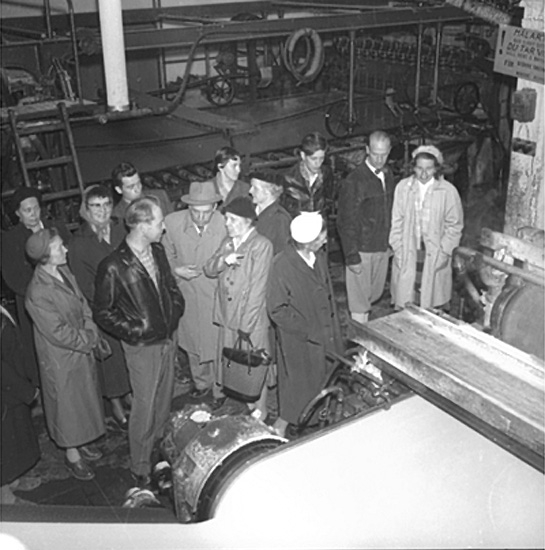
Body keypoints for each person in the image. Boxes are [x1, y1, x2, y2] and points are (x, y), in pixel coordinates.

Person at [93, 196, 185, 487]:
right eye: (159, 222)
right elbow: (102, 312)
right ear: (143, 226)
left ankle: (158, 450)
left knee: (164, 401)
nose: (163, 228)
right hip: (142, 347)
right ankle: (140, 465)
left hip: (166, 337)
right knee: (144, 408)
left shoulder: (157, 250)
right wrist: (136, 330)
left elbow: (170, 286)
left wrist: (174, 311)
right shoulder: (113, 266)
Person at [25, 228, 105, 481]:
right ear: (45, 256)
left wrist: (90, 327)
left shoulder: (64, 271)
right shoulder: (37, 292)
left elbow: (83, 304)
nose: (66, 249)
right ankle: (72, 456)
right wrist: (88, 339)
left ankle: (83, 441)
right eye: (59, 247)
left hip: (79, 348)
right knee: (67, 407)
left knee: (84, 400)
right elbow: (58, 333)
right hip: (61, 358)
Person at [267, 212, 342, 437]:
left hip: (325, 333)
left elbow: (328, 296)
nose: (325, 241)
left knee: (322, 380)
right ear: (308, 241)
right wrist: (307, 329)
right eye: (322, 237)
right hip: (299, 340)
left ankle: (318, 422)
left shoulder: (318, 257)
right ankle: (284, 429)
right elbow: (276, 309)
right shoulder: (282, 265)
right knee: (298, 388)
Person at [67, 185, 131, 432]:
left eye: (106, 205)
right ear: (86, 209)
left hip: (129, 302)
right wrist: (110, 304)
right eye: (96, 206)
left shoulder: (120, 229)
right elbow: (85, 285)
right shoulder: (78, 243)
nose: (102, 211)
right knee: (111, 359)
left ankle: (129, 395)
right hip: (102, 308)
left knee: (127, 354)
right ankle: (115, 406)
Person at [204, 196, 273, 418]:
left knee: (255, 366)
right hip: (227, 317)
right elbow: (208, 269)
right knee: (236, 365)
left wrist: (246, 326)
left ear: (247, 221)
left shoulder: (261, 245)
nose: (227, 224)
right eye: (227, 219)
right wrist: (224, 260)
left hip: (249, 320)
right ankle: (245, 408)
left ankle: (261, 412)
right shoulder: (228, 242)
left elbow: (257, 289)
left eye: (232, 220)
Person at [1, 187, 71, 387]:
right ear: (18, 213)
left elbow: (70, 260)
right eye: (27, 210)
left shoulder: (56, 228)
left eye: (36, 208)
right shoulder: (10, 239)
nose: (33, 214)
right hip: (32, 302)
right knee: (41, 350)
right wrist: (40, 294)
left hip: (64, 295)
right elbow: (12, 277)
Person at [162, 180, 226, 400]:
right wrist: (175, 270)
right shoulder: (171, 223)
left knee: (216, 345)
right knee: (192, 343)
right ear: (188, 207)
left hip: (214, 294)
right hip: (186, 293)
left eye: (206, 212)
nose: (200, 217)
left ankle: (220, 390)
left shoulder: (225, 224)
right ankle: (201, 384)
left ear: (215, 207)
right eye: (195, 212)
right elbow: (164, 254)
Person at [389, 144, 464, 310]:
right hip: (409, 249)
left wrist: (445, 252)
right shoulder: (403, 188)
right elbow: (396, 221)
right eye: (419, 168)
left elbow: (454, 225)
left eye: (429, 169)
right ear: (413, 167)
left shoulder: (448, 191)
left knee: (431, 300)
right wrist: (398, 249)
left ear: (436, 168)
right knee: (408, 297)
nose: (423, 174)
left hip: (434, 251)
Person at [337, 130, 396, 323]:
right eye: (375, 154)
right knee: (359, 302)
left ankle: (364, 331)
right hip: (362, 250)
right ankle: (359, 337)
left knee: (374, 294)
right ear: (367, 150)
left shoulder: (388, 175)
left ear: (389, 151)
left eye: (384, 154)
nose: (379, 159)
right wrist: (351, 256)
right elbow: (345, 221)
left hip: (381, 248)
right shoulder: (354, 180)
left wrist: (389, 244)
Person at [1, 304, 41, 505]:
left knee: (14, 437)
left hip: (10, 388)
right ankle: (5, 499)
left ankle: (11, 479)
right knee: (3, 443)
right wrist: (25, 390)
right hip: (6, 389)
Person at [281, 132, 334, 218]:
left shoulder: (326, 173)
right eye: (313, 159)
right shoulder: (289, 179)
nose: (318, 163)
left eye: (321, 158)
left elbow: (329, 198)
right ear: (303, 155)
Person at [250, 170, 292, 256]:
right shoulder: (248, 211)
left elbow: (281, 254)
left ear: (268, 192)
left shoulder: (280, 219)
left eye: (255, 188)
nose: (250, 191)